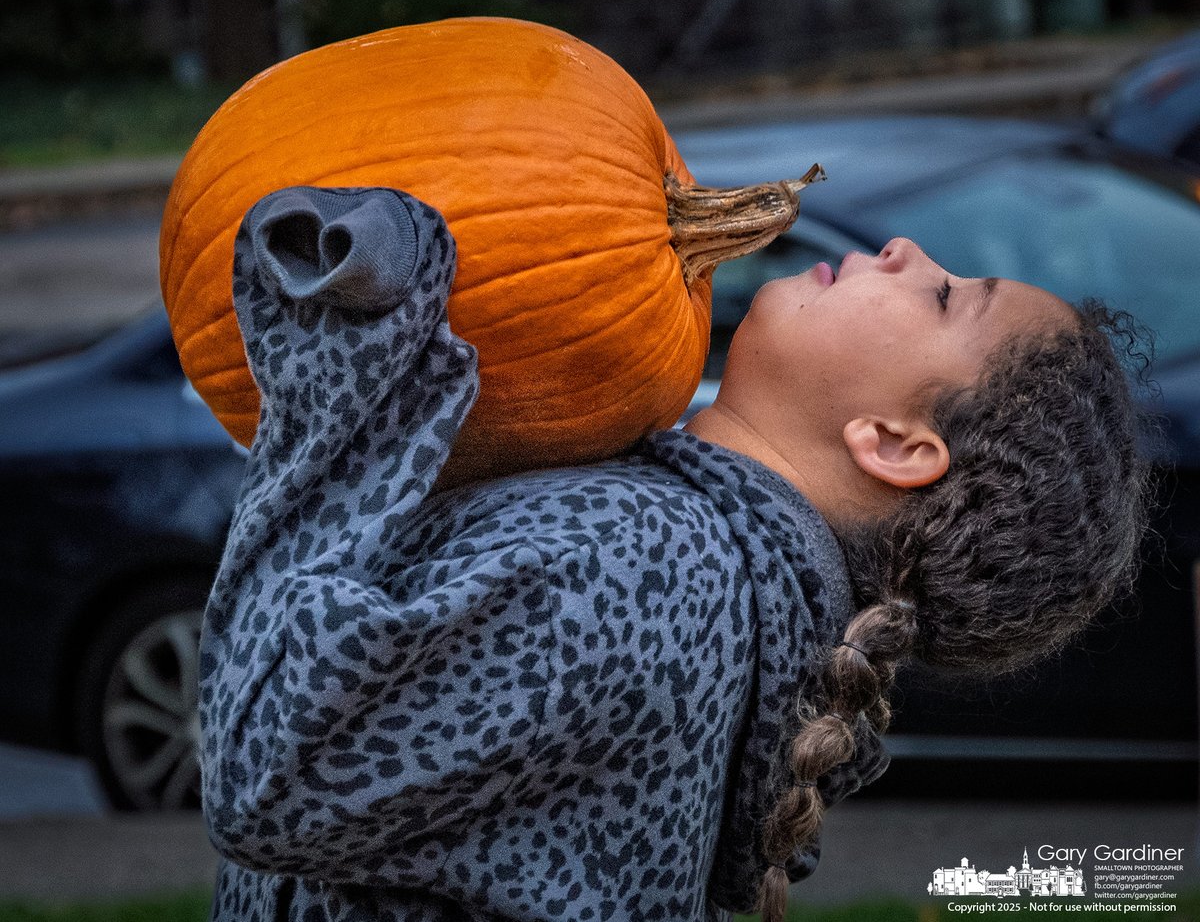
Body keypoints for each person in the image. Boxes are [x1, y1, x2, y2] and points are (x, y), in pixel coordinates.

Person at [197, 185, 1153, 922]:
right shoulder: (708, 586)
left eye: (945, 298)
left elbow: (265, 771)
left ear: (895, 444)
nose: (906, 252)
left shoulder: (648, 565)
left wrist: (351, 356)